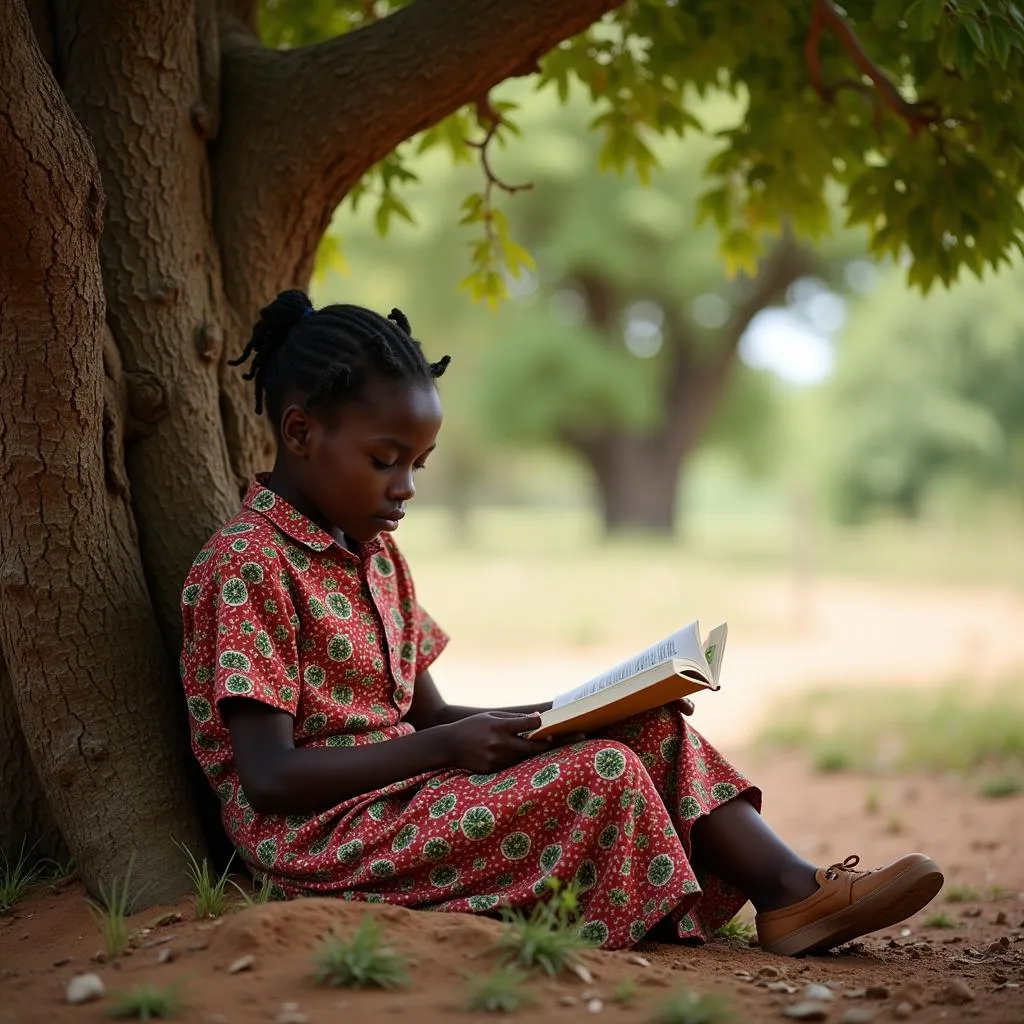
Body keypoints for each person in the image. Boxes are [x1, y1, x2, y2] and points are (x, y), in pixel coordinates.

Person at [179, 290, 943, 955]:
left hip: (406, 791)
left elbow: (433, 714)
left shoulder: (377, 558)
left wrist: (572, 714)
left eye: (419, 462)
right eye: (386, 459)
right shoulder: (249, 565)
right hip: (326, 836)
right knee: (599, 774)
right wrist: (445, 747)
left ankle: (795, 892)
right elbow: (271, 779)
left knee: (645, 735)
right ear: (302, 432)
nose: (406, 486)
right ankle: (640, 914)